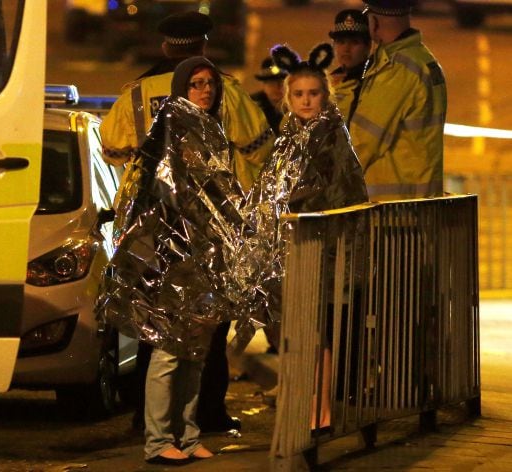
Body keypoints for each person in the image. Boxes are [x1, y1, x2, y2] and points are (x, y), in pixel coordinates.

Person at [100, 11, 274, 434]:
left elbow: (111, 147)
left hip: (154, 224)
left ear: (164, 47)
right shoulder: (223, 91)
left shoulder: (137, 94)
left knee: (151, 323)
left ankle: (147, 419)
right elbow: (259, 148)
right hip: (209, 225)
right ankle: (208, 413)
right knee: (208, 321)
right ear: (203, 47)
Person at [247, 43, 368, 429]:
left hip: (325, 247)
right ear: (288, 97)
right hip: (290, 248)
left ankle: (321, 405)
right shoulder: (284, 138)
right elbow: (271, 187)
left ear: (324, 95)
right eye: (298, 94)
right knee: (295, 330)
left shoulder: (334, 135)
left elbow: (345, 190)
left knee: (322, 332)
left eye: (313, 93)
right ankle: (300, 398)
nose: (305, 100)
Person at [349, 0, 447, 201]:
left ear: (373, 22)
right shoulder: (422, 59)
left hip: (394, 212)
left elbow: (361, 143)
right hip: (416, 205)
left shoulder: (397, 69)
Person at [328, 9, 371, 126]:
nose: (346, 49)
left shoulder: (371, 84)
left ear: (368, 47)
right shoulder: (329, 80)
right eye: (341, 42)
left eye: (354, 42)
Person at [251, 57, 287, 136]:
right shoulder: (252, 107)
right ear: (263, 85)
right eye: (272, 82)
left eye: (282, 82)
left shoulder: (297, 107)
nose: (278, 87)